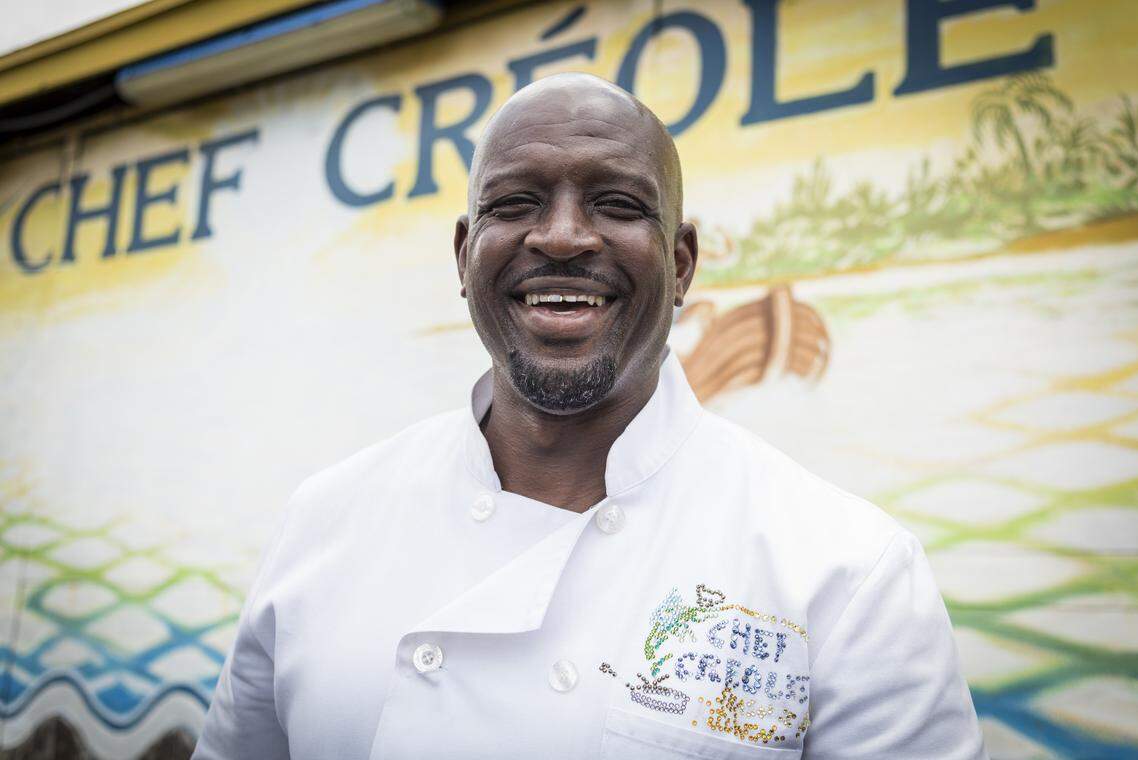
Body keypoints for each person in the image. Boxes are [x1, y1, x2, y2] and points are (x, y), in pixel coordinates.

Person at [193, 73, 986, 760]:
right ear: (464, 257)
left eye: (614, 203)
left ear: (680, 265)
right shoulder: (325, 521)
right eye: (516, 202)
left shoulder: (850, 576)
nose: (564, 236)